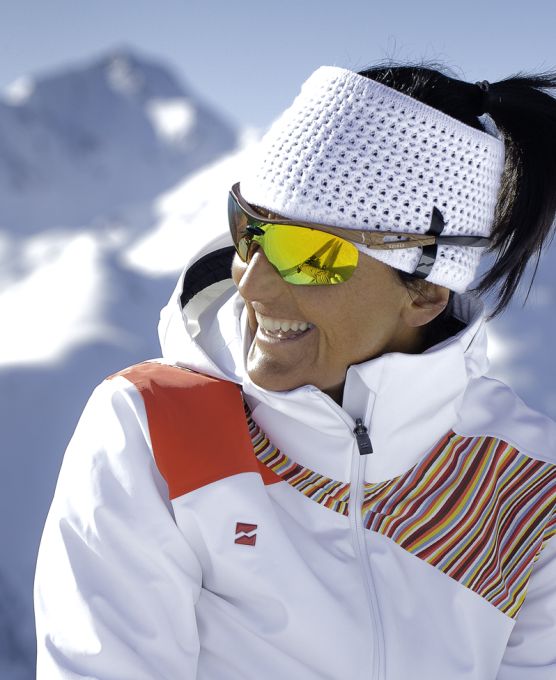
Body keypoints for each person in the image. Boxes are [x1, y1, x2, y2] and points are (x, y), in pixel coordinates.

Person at [35, 62, 556, 679]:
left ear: (424, 294)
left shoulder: (529, 480)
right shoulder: (154, 428)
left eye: (309, 256)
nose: (251, 283)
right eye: (249, 232)